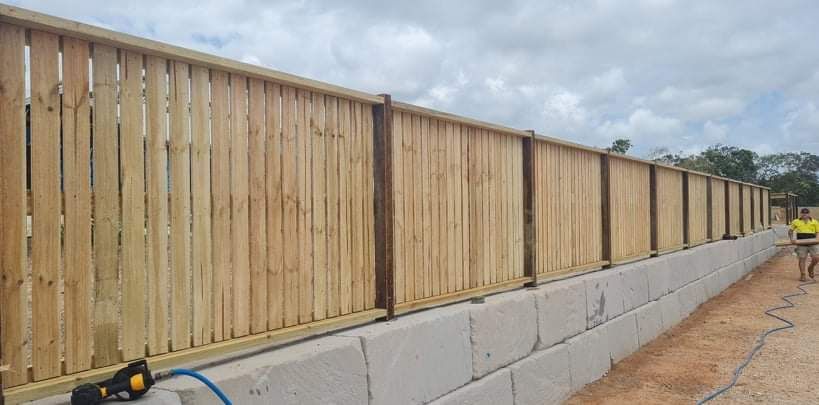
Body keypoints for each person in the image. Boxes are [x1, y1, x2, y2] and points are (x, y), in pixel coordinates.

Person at [788, 208, 819, 281]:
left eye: (806, 213)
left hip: (813, 243)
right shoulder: (796, 221)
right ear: (801, 214)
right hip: (801, 243)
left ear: (809, 214)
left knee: (816, 258)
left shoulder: (815, 222)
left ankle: (810, 268)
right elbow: (790, 231)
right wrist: (791, 239)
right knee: (802, 259)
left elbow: (817, 232)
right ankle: (803, 275)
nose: (804, 214)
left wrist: (817, 239)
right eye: (803, 213)